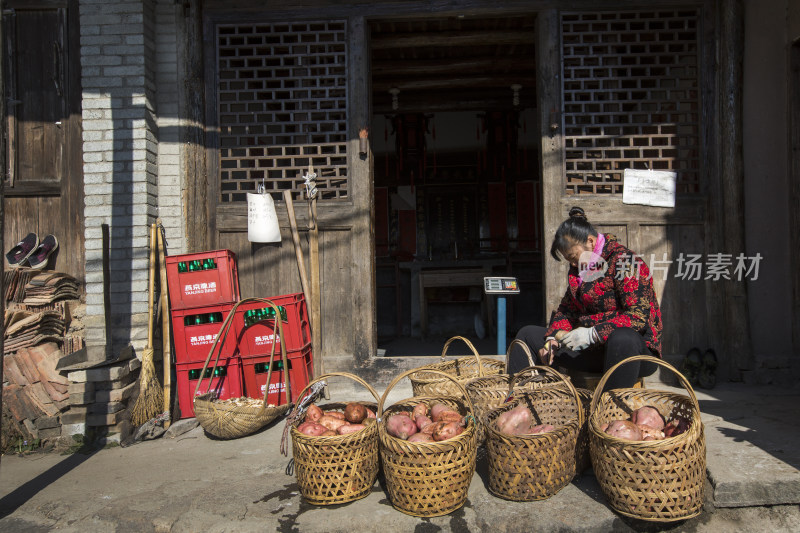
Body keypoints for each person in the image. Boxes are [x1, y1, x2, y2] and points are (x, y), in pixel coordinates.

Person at [508, 207, 662, 390]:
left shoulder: (625, 261)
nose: (572, 264)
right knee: (527, 335)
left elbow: (638, 317)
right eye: (569, 261)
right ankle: (519, 401)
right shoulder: (580, 271)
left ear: (590, 241)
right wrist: (553, 338)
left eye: (574, 257)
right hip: (592, 351)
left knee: (622, 338)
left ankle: (607, 411)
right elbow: (567, 310)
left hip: (632, 352)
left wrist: (593, 333)